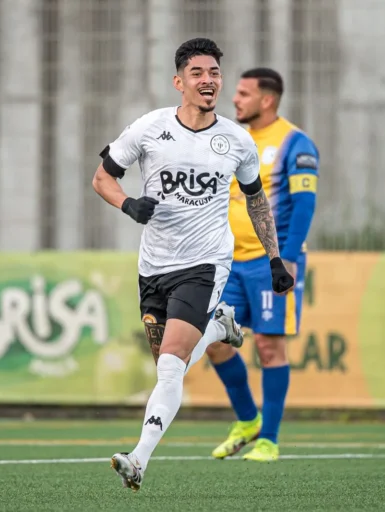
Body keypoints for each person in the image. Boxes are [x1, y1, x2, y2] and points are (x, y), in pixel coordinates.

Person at [91, 39, 295, 491]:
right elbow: (103, 177)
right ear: (179, 81)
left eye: (215, 73)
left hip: (205, 263)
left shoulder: (236, 141)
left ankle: (138, 458)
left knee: (170, 365)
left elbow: (257, 202)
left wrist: (275, 258)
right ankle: (220, 329)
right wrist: (128, 205)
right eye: (198, 73)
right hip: (153, 266)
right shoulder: (149, 128)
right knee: (171, 365)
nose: (209, 81)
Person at [205, 68, 320, 462]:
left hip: (270, 262)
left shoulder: (295, 143)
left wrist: (285, 258)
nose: (233, 99)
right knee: (215, 339)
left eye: (242, 93)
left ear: (266, 100)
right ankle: (248, 419)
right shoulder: (232, 139)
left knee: (270, 348)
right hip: (227, 261)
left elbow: (304, 204)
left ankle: (269, 439)